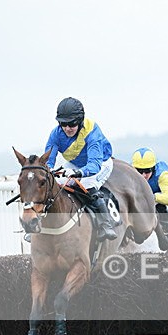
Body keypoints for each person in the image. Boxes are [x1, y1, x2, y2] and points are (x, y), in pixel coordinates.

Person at [44, 96, 117, 240]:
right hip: (75, 163)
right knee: (52, 184)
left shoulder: (92, 132)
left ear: (80, 120)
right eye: (63, 124)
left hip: (100, 163)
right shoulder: (56, 134)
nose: (67, 128)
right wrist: (49, 170)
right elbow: (49, 159)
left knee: (87, 184)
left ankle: (106, 224)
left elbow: (94, 165)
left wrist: (78, 173)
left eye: (71, 124)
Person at [131, 147, 168, 250]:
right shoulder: (129, 172)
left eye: (147, 171)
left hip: (156, 205)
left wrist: (151, 197)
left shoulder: (163, 173)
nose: (143, 175)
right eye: (139, 171)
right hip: (135, 205)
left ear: (154, 167)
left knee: (161, 210)